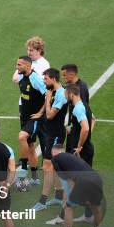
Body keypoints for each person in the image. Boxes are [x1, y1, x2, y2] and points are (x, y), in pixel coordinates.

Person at [46, 84, 95, 225]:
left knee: (70, 186)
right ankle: (88, 215)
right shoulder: (84, 105)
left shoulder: (78, 108)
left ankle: (61, 218)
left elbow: (85, 128)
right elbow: (92, 121)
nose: (65, 96)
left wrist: (79, 146)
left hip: (80, 152)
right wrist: (73, 131)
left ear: (71, 94)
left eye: (66, 94)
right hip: (86, 150)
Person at [50, 147, 104, 227]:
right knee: (96, 209)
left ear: (54, 152)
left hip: (83, 182)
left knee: (68, 207)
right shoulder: (72, 157)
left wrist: (67, 197)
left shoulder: (55, 159)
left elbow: (65, 180)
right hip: (97, 179)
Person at [31, 68, 68, 211]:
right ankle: (59, 197)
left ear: (53, 79)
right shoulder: (53, 92)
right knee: (55, 166)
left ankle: (42, 201)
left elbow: (50, 115)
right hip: (51, 133)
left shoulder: (60, 94)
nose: (44, 82)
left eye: (46, 79)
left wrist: (47, 99)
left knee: (47, 167)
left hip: (56, 134)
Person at [15, 56, 46, 183]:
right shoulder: (22, 77)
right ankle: (35, 178)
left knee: (22, 137)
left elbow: (48, 95)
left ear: (28, 66)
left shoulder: (36, 79)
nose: (16, 67)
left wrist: (40, 112)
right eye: (16, 64)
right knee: (31, 145)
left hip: (35, 118)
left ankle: (22, 170)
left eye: (19, 65)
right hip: (25, 117)